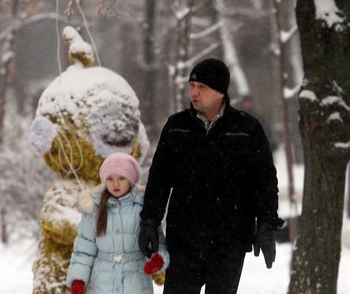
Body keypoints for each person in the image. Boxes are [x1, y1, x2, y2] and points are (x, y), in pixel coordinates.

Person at [138, 58, 284, 294]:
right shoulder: (177, 127)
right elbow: (159, 180)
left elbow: (265, 182)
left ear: (220, 92)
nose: (194, 93)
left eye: (202, 87)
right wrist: (150, 220)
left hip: (230, 241)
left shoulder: (246, 130)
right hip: (184, 239)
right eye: (192, 86)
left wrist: (266, 225)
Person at [66, 152, 169, 294]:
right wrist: (78, 280)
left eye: (121, 178)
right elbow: (84, 249)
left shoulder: (144, 207)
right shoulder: (95, 208)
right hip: (101, 283)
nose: (115, 184)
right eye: (110, 178)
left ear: (131, 179)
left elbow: (158, 241)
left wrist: (158, 259)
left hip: (136, 283)